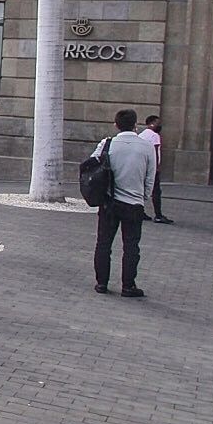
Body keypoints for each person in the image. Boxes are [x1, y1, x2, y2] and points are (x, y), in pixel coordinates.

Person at [92, 108, 156, 298]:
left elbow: (92, 165)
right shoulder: (147, 147)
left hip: (110, 202)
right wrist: (143, 197)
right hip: (134, 203)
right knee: (131, 246)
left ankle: (101, 283)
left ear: (116, 125)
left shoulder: (107, 144)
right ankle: (128, 285)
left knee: (104, 243)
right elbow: (150, 177)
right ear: (136, 125)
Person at [141, 113, 171, 223]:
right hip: (152, 168)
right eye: (158, 123)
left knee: (141, 189)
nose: (160, 126)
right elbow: (155, 151)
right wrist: (157, 167)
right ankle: (158, 215)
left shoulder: (142, 135)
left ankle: (140, 212)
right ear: (152, 124)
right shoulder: (154, 136)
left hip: (142, 166)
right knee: (156, 191)